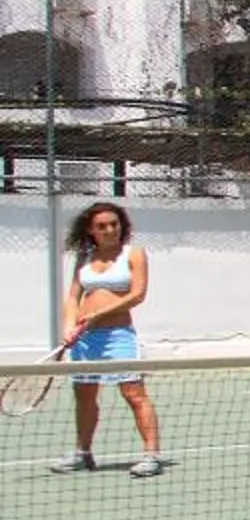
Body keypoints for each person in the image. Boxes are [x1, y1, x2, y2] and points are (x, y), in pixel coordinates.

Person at [49, 200, 166, 479]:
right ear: (91, 230)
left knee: (133, 393)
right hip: (86, 340)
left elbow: (137, 294)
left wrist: (99, 314)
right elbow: (73, 297)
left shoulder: (133, 254)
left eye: (114, 224)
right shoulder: (85, 258)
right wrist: (69, 327)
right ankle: (83, 453)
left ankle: (151, 456)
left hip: (119, 336)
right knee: (85, 395)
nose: (110, 230)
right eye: (102, 226)